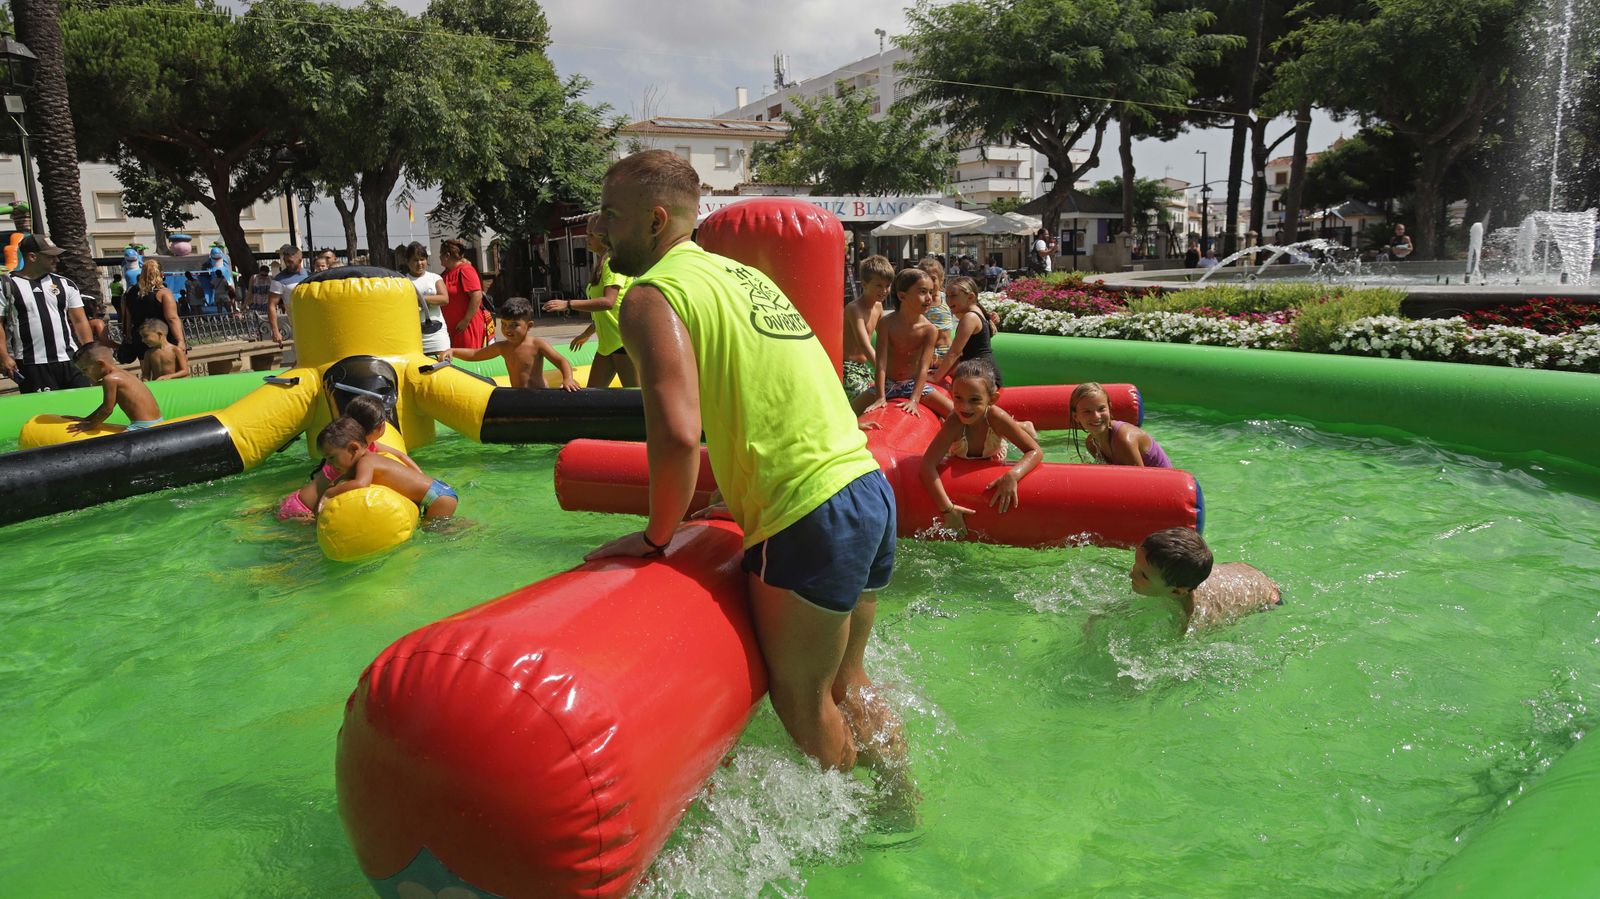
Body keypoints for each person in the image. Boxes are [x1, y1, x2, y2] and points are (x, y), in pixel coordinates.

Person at [583, 150, 908, 790]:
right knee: (849, 680)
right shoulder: (738, 276)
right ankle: (902, 804)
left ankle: (860, 836)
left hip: (808, 513)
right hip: (865, 488)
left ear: (653, 221)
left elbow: (677, 433)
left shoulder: (652, 296)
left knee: (802, 701)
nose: (600, 228)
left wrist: (656, 537)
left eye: (611, 216)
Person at [919, 359, 1041, 535]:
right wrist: (947, 509)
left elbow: (1035, 450)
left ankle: (1020, 426)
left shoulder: (996, 418)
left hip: (994, 456)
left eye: (974, 400)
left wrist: (1013, 475)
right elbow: (927, 465)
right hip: (960, 458)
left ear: (992, 399)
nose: (964, 407)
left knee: (1008, 429)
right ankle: (1019, 426)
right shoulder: (954, 422)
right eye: (958, 398)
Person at [277, 395, 420, 521]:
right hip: (303, 509)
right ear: (381, 427)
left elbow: (399, 455)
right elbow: (332, 489)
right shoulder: (345, 454)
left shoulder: (364, 446)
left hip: (301, 500)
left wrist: (419, 476)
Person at [545, 217, 638, 388]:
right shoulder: (602, 264)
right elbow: (606, 313)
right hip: (607, 345)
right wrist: (587, 334)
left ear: (605, 236)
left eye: (591, 235)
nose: (587, 239)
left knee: (636, 399)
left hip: (622, 343)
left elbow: (608, 302)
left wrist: (568, 304)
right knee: (593, 394)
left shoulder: (612, 264)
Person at [1131, 528, 1281, 632]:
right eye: (1136, 565)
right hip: (1241, 572)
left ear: (1177, 592)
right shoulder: (1177, 581)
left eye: (1143, 575)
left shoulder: (1194, 620)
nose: (1131, 574)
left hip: (1268, 596)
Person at [0, 235, 94, 392]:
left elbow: (80, 321)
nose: (56, 260)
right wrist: (3, 357)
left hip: (70, 360)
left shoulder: (65, 284)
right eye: (50, 256)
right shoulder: (6, 285)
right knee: (45, 414)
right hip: (32, 363)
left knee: (82, 410)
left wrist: (89, 352)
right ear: (32, 257)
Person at [317, 416, 458, 520]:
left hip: (437, 498)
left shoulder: (366, 462)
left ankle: (469, 527)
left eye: (331, 458)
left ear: (353, 448)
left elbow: (361, 483)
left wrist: (330, 492)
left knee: (434, 533)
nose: (329, 464)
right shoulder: (369, 458)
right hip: (437, 491)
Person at [862, 268, 954, 420]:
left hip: (912, 385)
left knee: (955, 414)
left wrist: (914, 399)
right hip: (887, 384)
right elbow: (881, 363)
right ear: (902, 296)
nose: (929, 298)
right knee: (847, 413)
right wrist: (880, 396)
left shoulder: (929, 330)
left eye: (931, 292)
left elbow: (924, 368)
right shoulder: (886, 323)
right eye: (923, 292)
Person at [449, 296, 577, 390]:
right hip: (517, 396)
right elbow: (475, 354)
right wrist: (453, 351)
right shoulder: (503, 347)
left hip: (540, 394)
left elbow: (561, 361)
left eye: (514, 325)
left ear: (529, 325)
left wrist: (568, 378)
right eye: (504, 324)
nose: (507, 329)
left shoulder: (537, 345)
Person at [1071, 381, 1172, 467]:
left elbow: (1140, 483)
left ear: (1109, 409)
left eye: (1101, 409)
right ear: (1076, 417)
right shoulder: (1091, 444)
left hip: (1167, 488)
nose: (1096, 416)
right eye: (1087, 412)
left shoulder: (1124, 439)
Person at [67, 344, 163, 431]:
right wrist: (87, 419)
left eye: (85, 369)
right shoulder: (124, 374)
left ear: (100, 364)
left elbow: (107, 410)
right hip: (158, 422)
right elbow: (107, 405)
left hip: (142, 427)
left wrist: (89, 426)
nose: (84, 374)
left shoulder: (110, 379)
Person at [844, 254, 893, 414]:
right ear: (864, 284)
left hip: (865, 368)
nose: (884, 290)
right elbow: (864, 344)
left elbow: (886, 339)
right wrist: (884, 370)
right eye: (879, 285)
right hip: (848, 369)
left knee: (888, 392)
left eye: (887, 285)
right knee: (866, 399)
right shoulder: (854, 308)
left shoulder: (878, 307)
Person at [929, 275, 999, 386]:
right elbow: (962, 355)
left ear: (970, 297)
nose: (948, 300)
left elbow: (954, 353)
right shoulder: (975, 313)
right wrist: (940, 373)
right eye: (947, 296)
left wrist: (935, 377)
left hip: (981, 375)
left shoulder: (970, 318)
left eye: (953, 296)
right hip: (982, 372)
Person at [116, 258, 188, 366]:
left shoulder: (129, 293)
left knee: (147, 372)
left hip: (141, 337)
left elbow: (127, 317)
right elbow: (172, 318)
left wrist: (129, 335)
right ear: (161, 274)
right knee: (171, 370)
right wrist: (180, 340)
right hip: (163, 337)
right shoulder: (163, 293)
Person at [404, 242, 451, 360]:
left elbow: (444, 299)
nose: (419, 263)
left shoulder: (435, 278)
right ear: (407, 261)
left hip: (438, 334)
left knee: (444, 364)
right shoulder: (403, 281)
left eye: (422, 259)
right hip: (415, 336)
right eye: (415, 260)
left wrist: (422, 299)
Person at [439, 238, 487, 349]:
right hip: (452, 328)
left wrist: (466, 320)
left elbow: (476, 296)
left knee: (467, 359)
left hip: (466, 326)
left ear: (447, 255)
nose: (439, 257)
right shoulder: (446, 273)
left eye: (440, 254)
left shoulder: (465, 270)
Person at [915, 257, 956, 358]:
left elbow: (966, 311)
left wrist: (988, 318)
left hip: (946, 350)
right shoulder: (917, 301)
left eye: (933, 279)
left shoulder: (947, 299)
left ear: (941, 280)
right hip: (924, 352)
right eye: (925, 279)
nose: (929, 283)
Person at [267, 244, 307, 345]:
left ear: (300, 260)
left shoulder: (309, 275)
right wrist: (275, 331)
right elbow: (271, 305)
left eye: (290, 261)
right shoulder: (279, 280)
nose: (287, 264)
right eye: (285, 261)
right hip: (298, 325)